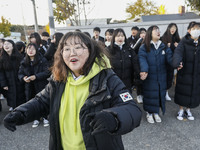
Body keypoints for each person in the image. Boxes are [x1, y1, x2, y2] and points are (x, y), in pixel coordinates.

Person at [3, 32, 142, 150]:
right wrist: (21, 113)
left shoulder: (107, 77)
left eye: (78, 47)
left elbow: (131, 108)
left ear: (91, 51)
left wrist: (114, 117)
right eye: (67, 49)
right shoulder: (58, 79)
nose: (72, 53)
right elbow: (41, 101)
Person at [138, 25, 172, 124]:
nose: (158, 32)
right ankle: (149, 113)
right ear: (150, 33)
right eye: (155, 30)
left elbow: (170, 58)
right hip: (150, 76)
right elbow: (142, 59)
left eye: (159, 30)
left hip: (162, 76)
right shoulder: (144, 47)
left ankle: (156, 112)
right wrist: (144, 70)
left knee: (159, 94)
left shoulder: (163, 46)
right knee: (150, 94)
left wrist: (177, 63)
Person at [172, 22, 200, 121]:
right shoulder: (184, 41)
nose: (197, 30)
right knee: (182, 91)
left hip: (196, 73)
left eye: (198, 28)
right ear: (189, 30)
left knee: (193, 91)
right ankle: (180, 109)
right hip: (184, 71)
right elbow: (177, 53)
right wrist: (177, 63)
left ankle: (188, 110)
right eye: (194, 28)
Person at [18, 43, 50, 127]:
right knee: (32, 102)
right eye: (28, 49)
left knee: (42, 101)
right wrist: (23, 78)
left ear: (36, 50)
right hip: (29, 86)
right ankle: (35, 118)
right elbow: (20, 73)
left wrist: (36, 76)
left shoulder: (42, 60)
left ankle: (45, 117)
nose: (30, 51)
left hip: (40, 84)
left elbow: (47, 72)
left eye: (32, 49)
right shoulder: (24, 61)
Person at [108, 28, 139, 93]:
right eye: (118, 36)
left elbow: (135, 63)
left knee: (127, 101)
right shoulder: (108, 50)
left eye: (122, 36)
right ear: (114, 38)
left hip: (127, 82)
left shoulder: (129, 50)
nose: (120, 38)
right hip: (113, 83)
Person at [0, 40, 25, 111]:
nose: (6, 46)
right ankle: (13, 107)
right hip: (8, 82)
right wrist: (4, 84)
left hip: (19, 80)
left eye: (8, 44)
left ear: (13, 46)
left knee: (20, 96)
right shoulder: (2, 59)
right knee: (11, 96)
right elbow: (1, 73)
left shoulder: (19, 57)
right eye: (5, 44)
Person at [161, 23, 181, 101]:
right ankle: (162, 93)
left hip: (172, 61)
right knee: (163, 77)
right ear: (168, 28)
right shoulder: (163, 37)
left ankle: (166, 93)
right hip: (164, 61)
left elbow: (179, 49)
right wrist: (173, 45)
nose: (173, 29)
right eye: (172, 27)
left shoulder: (176, 38)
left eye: (175, 28)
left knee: (169, 77)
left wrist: (174, 45)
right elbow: (163, 47)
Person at [131, 28, 146, 104]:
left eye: (144, 33)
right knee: (138, 79)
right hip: (137, 63)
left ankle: (144, 94)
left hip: (145, 63)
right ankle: (139, 94)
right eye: (141, 33)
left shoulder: (148, 42)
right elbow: (133, 50)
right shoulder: (135, 41)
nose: (143, 34)